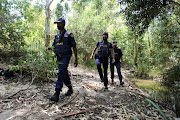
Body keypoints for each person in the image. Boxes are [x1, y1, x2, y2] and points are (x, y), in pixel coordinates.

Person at [45, 18, 78, 102]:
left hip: (66, 56)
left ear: (63, 24)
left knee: (61, 73)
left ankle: (57, 93)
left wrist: (76, 59)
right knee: (64, 73)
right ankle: (70, 88)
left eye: (59, 23)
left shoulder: (69, 35)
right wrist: (49, 48)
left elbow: (74, 47)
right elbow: (54, 46)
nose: (58, 25)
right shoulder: (57, 36)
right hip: (58, 57)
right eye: (57, 24)